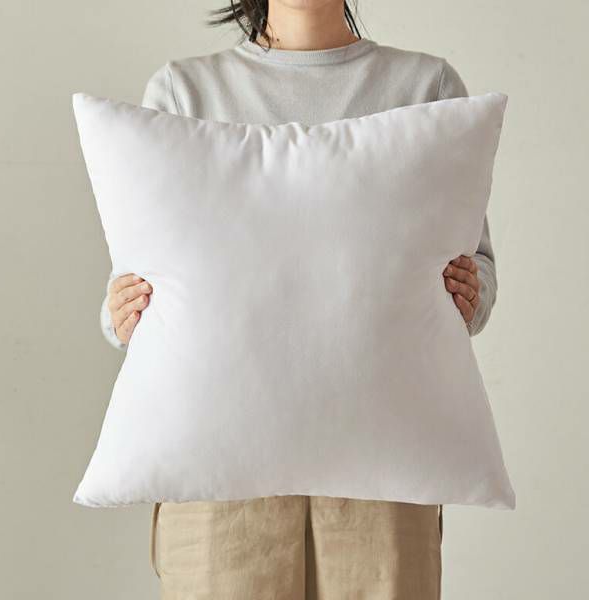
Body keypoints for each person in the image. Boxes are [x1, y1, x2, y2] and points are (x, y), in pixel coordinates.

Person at [100, 1, 497, 598]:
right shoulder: (185, 91)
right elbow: (137, 281)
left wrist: (468, 294)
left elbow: (475, 265)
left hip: (383, 470)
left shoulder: (426, 86)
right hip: (219, 478)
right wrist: (122, 314)